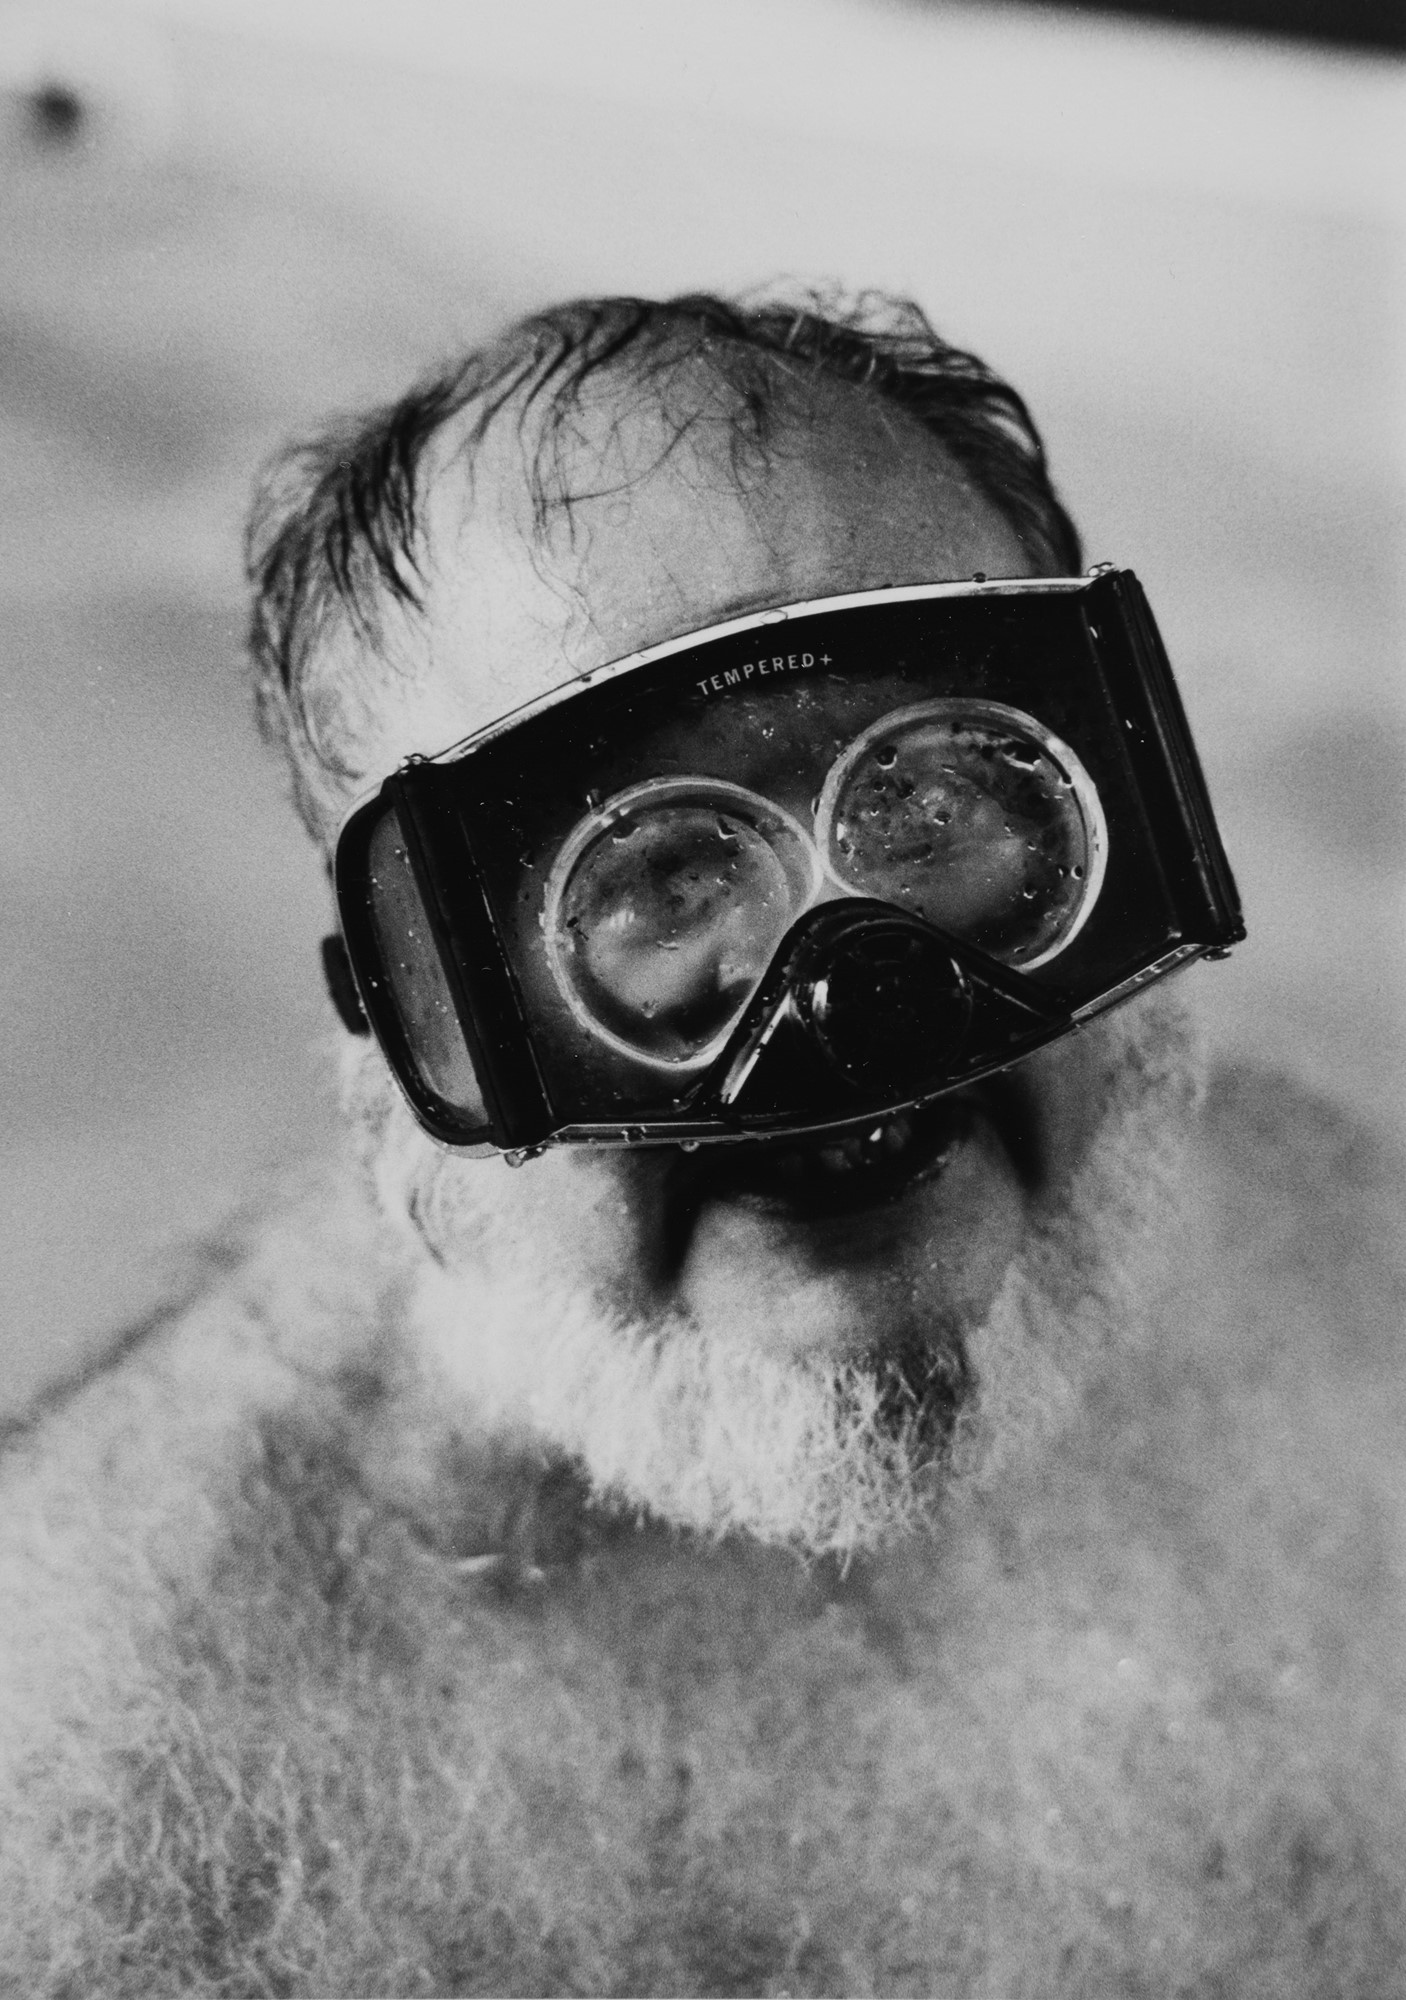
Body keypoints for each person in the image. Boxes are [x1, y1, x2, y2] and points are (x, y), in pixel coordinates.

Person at [2, 292, 1401, 1997]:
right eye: (656, 880)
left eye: (927, 802)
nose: (850, 1008)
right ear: (405, 1039)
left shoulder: (1337, 1266)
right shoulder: (120, 1822)